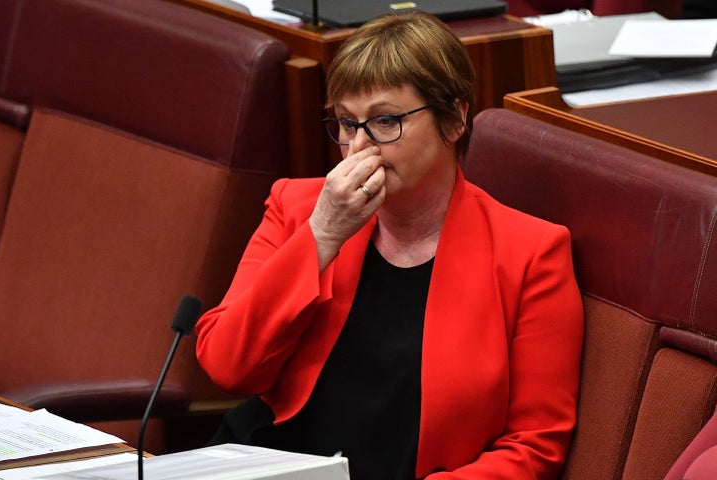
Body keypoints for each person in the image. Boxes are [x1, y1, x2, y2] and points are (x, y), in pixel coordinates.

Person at [195, 10, 584, 480]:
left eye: (384, 121)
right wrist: (322, 237)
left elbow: (535, 447)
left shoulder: (531, 254)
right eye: (345, 123)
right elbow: (228, 366)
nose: (359, 147)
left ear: (455, 118)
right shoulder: (298, 208)